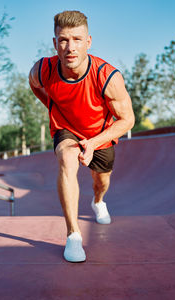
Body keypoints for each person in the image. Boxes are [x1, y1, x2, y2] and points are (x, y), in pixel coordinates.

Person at [29, 10, 135, 263]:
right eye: (63, 40)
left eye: (77, 39)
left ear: (88, 41)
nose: (70, 47)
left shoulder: (107, 76)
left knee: (101, 182)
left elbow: (128, 120)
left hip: (100, 135)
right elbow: (34, 85)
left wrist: (94, 143)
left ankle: (98, 202)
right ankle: (73, 235)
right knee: (67, 159)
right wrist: (52, 106)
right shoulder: (43, 69)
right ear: (55, 43)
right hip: (66, 129)